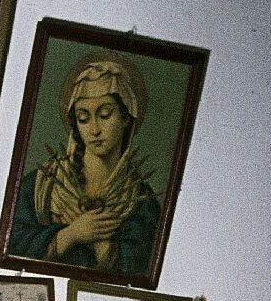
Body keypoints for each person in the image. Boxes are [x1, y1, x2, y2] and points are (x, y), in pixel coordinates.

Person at [10, 54, 160, 277]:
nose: (95, 129)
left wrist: (97, 240)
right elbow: (13, 247)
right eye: (83, 118)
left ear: (126, 118)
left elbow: (140, 271)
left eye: (105, 115)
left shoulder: (141, 201)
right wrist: (71, 234)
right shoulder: (41, 185)